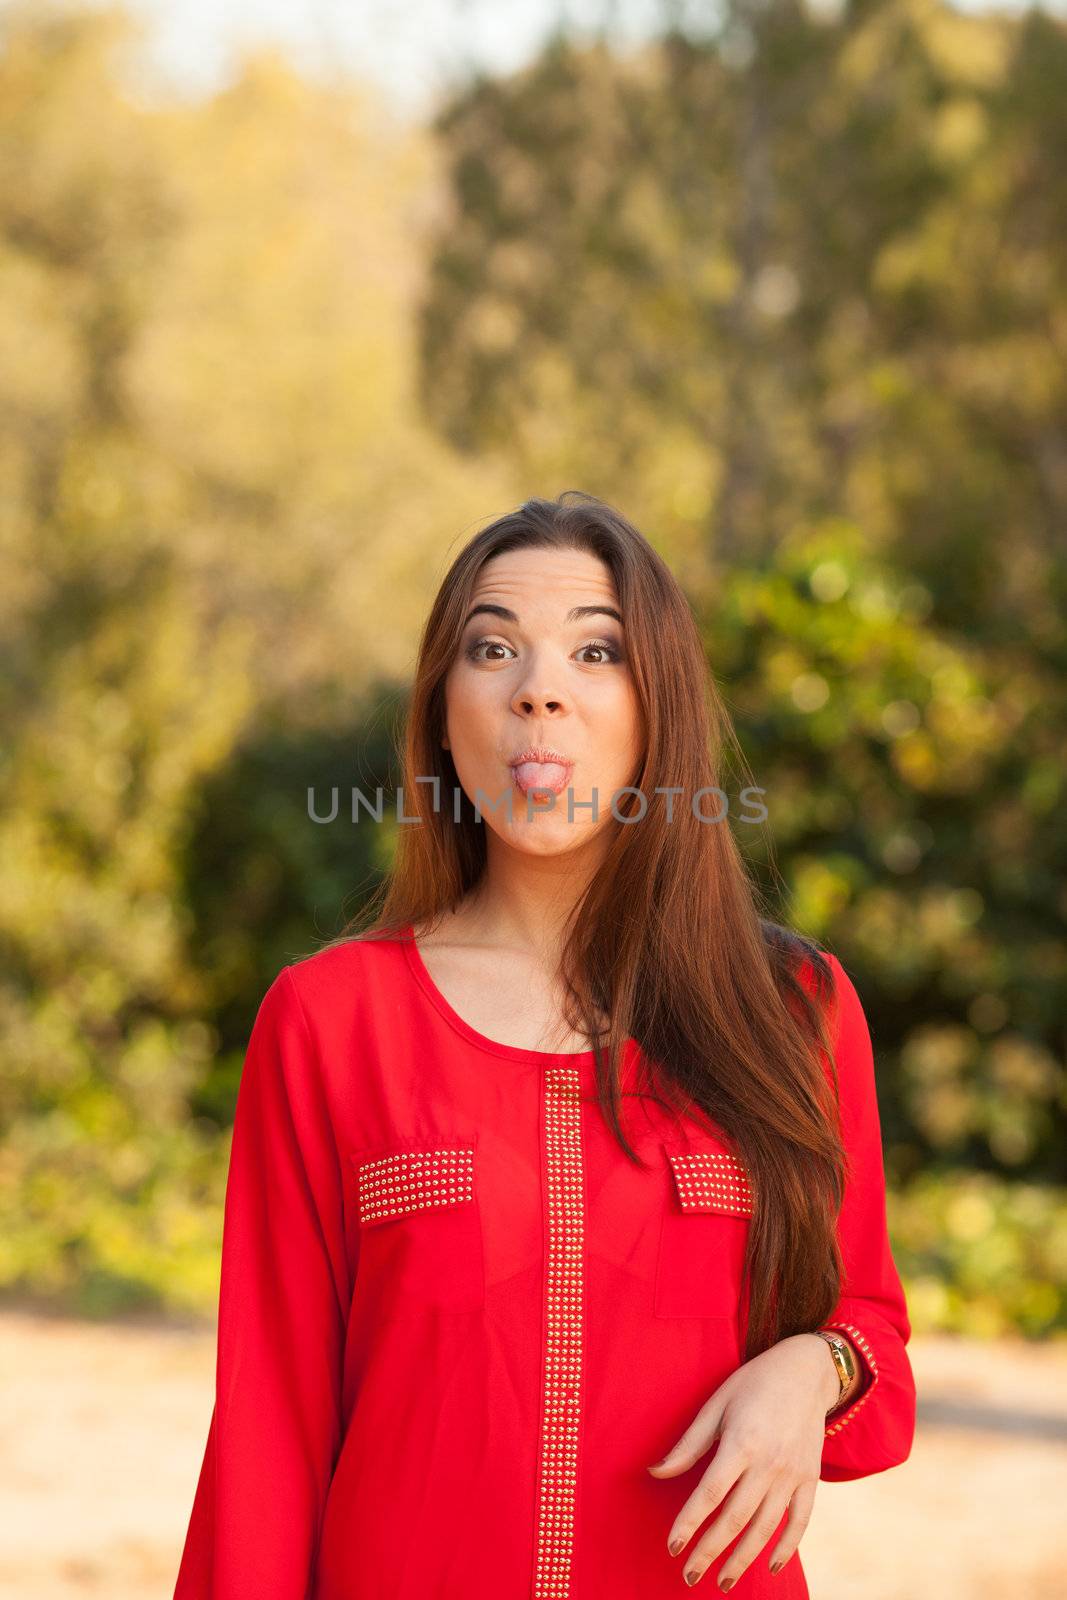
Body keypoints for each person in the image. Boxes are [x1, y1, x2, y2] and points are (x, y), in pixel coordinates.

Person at [173, 492, 916, 1600]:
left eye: (593, 649)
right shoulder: (330, 1022)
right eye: (491, 648)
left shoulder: (791, 1009)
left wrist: (813, 1369)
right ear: (440, 713)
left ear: (656, 708)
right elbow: (266, 1440)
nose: (538, 687)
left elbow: (872, 1336)